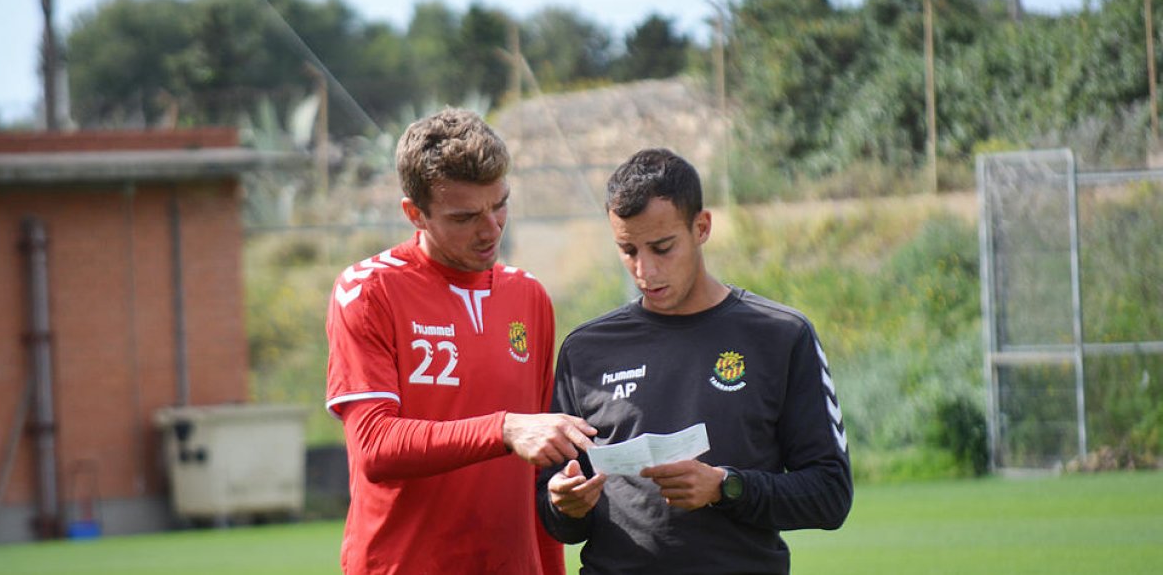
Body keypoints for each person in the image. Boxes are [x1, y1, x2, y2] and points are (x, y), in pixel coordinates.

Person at [537, 148, 852, 575]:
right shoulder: (586, 349)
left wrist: (726, 487)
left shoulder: (781, 335)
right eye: (628, 250)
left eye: (662, 248)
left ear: (701, 227)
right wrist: (564, 502)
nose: (644, 270)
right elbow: (560, 517)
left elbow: (829, 495)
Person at [325, 107, 595, 575]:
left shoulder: (528, 296)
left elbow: (537, 471)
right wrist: (505, 429)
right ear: (415, 214)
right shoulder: (369, 290)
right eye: (465, 216)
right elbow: (373, 445)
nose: (491, 228)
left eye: (501, 204)